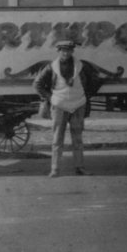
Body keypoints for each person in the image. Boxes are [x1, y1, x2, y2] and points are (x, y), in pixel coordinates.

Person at [33, 40, 96, 177]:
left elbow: (94, 81)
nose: (65, 53)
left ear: (72, 51)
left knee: (77, 138)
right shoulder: (52, 67)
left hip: (78, 104)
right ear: (59, 51)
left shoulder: (81, 66)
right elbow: (38, 84)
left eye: (68, 50)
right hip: (59, 105)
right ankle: (55, 169)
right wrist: (51, 98)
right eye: (63, 50)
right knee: (57, 138)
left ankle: (80, 167)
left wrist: (86, 96)